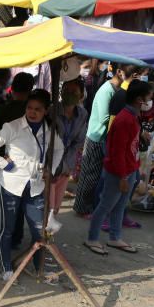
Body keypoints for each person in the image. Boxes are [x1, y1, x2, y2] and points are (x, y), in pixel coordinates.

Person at [0, 90, 64, 282]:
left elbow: (59, 149)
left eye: (37, 109)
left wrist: (50, 170)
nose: (33, 112)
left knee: (39, 231)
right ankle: (6, 270)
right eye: (29, 108)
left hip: (35, 186)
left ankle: (39, 269)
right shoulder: (13, 127)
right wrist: (4, 164)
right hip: (9, 185)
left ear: (46, 111)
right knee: (6, 229)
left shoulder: (49, 130)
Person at [85, 80, 150, 255]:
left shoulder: (133, 116)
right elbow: (117, 152)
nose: (150, 101)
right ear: (139, 99)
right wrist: (122, 176)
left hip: (128, 170)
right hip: (118, 172)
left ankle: (115, 237)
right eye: (148, 97)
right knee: (105, 206)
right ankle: (92, 239)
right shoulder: (124, 119)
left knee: (120, 205)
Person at [73, 64, 127, 215]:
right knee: (89, 176)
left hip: (102, 137)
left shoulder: (114, 90)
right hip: (96, 136)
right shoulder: (107, 91)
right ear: (119, 72)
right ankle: (81, 209)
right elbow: (104, 118)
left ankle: (86, 207)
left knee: (94, 176)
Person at [50, 79, 88, 216]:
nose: (69, 94)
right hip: (50, 164)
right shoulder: (52, 111)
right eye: (66, 91)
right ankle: (43, 236)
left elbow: (78, 142)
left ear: (81, 95)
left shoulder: (82, 114)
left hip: (66, 165)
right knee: (48, 206)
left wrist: (67, 165)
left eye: (74, 92)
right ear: (61, 92)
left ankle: (48, 236)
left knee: (56, 207)